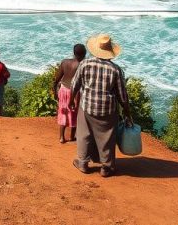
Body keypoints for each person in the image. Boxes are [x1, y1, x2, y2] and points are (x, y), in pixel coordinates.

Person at [70, 33, 132, 177]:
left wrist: (71, 100)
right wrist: (128, 113)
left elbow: (75, 85)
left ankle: (83, 163)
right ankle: (106, 167)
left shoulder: (85, 64)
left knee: (84, 134)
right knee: (107, 137)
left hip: (87, 107)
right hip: (108, 110)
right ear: (110, 52)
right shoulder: (115, 69)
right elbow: (122, 96)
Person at [52, 44, 86, 143]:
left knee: (63, 112)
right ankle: (72, 136)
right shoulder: (83, 64)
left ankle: (61, 137)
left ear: (74, 53)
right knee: (74, 113)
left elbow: (56, 79)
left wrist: (55, 91)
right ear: (84, 54)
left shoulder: (64, 62)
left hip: (63, 90)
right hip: (75, 93)